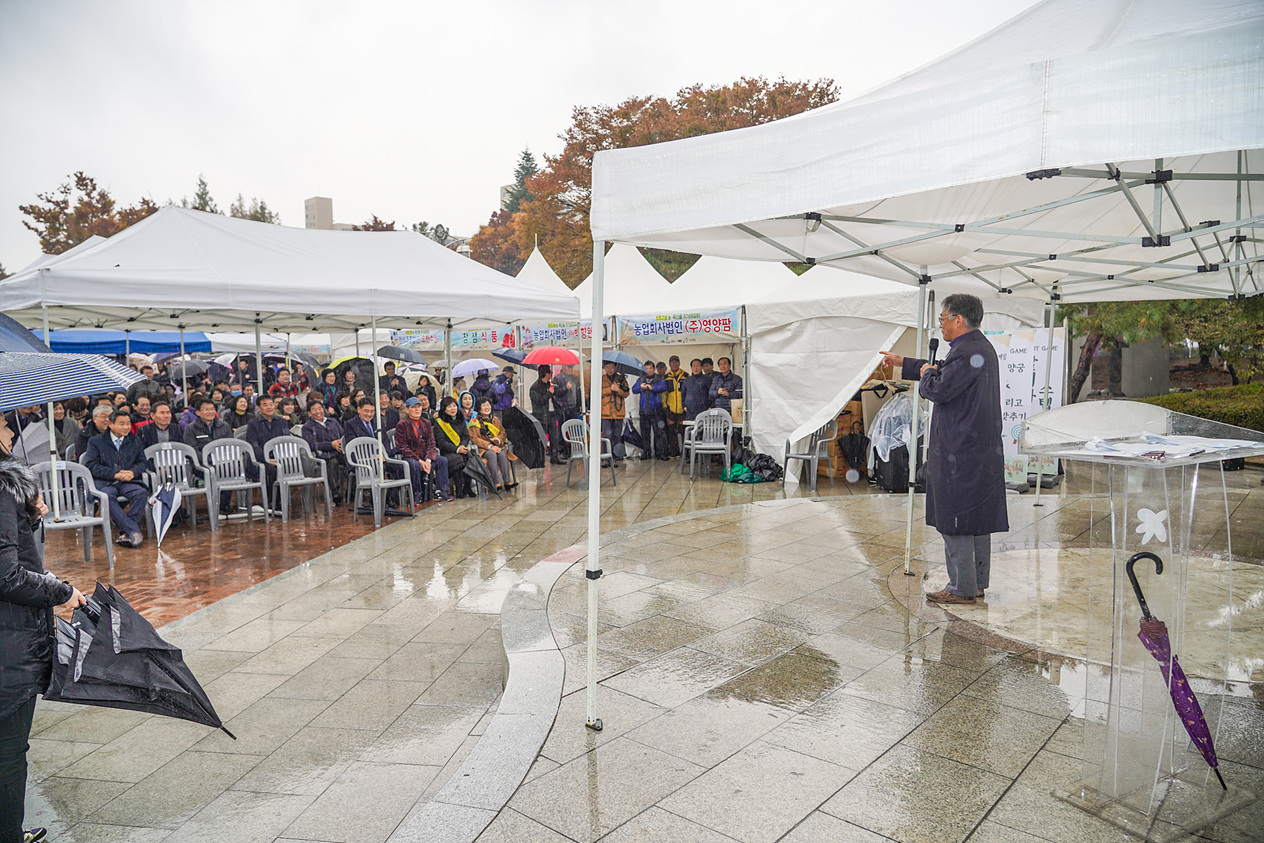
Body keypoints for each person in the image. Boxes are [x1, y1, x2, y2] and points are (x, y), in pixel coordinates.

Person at [880, 293, 1009, 605]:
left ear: (958, 320)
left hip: (960, 452)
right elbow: (944, 372)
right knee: (976, 520)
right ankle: (975, 583)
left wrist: (925, 375)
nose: (940, 326)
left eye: (942, 319)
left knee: (957, 520)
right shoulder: (978, 348)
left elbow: (938, 386)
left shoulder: (966, 352)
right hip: (977, 450)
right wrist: (906, 364)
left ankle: (961, 587)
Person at [0, 415, 86, 843]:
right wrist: (60, 591)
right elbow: (8, 576)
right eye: (3, 425)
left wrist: (29, 518)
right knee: (9, 750)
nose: (11, 433)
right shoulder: (1, 487)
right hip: (8, 642)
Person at [82, 410, 149, 548]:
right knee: (107, 496)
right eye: (122, 424)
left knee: (141, 493)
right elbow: (91, 465)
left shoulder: (134, 440)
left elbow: (142, 462)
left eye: (128, 423)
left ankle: (127, 532)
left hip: (128, 481)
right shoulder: (96, 441)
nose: (126, 427)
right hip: (105, 481)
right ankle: (132, 531)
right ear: (110, 424)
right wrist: (114, 474)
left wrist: (132, 472)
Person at [395, 397, 453, 503]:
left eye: (419, 407)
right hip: (411, 457)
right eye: (413, 407)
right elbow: (402, 447)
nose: (417, 410)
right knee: (414, 465)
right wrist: (419, 460)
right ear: (407, 410)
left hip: (425, 456)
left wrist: (428, 460)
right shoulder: (402, 425)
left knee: (442, 461)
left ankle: (441, 491)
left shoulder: (426, 423)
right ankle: (416, 494)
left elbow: (431, 443)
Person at [301, 399, 346, 505]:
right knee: (332, 462)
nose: (318, 412)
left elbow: (343, 434)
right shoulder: (307, 427)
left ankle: (353, 490)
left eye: (320, 408)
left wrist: (340, 443)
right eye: (314, 410)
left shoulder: (333, 421)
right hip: (322, 455)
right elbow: (311, 445)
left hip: (340, 451)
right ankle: (335, 493)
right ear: (309, 413)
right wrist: (331, 445)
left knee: (351, 460)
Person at [245, 395, 290, 498]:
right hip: (259, 460)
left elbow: (286, 441)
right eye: (265, 405)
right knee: (270, 470)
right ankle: (272, 501)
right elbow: (254, 446)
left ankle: (282, 499)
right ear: (259, 408)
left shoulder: (282, 422)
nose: (269, 407)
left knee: (291, 466)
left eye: (271, 404)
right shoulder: (253, 424)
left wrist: (281, 458)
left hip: (279, 458)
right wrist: (268, 459)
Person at [469, 396, 515, 491]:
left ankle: (507, 481)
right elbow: (474, 439)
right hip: (483, 449)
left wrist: (497, 439)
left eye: (488, 405)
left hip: (498, 446)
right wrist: (489, 446)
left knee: (502, 454)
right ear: (478, 408)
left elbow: (503, 432)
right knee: (492, 454)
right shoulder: (474, 422)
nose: (487, 407)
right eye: (484, 405)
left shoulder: (495, 420)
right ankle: (495, 482)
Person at [434, 396, 474, 498]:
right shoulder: (440, 422)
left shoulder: (460, 419)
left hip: (461, 448)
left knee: (468, 456)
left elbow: (466, 436)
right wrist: (456, 449)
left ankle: (467, 486)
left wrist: (462, 446)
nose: (453, 409)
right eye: (449, 407)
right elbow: (441, 442)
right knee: (457, 459)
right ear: (444, 409)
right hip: (448, 451)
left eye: (454, 406)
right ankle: (459, 487)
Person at [632, 360, 669, 460]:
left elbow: (663, 387)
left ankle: (660, 453)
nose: (648, 370)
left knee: (659, 433)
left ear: (654, 369)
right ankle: (646, 452)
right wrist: (641, 387)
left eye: (650, 368)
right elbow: (634, 390)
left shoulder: (658, 378)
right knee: (645, 434)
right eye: (646, 369)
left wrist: (652, 387)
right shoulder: (641, 379)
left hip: (656, 410)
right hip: (644, 410)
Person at [529, 365, 564, 465]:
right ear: (546, 373)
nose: (552, 374)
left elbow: (556, 393)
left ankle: (554, 457)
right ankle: (540, 459)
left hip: (552, 414)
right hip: (541, 416)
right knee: (541, 439)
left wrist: (565, 388)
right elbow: (538, 401)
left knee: (554, 438)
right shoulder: (535, 387)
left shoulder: (549, 384)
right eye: (550, 372)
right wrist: (549, 393)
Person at [600, 360, 630, 460]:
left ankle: (616, 457)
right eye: (607, 367)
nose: (609, 370)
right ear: (604, 368)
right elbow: (597, 392)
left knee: (617, 436)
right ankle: (605, 457)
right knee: (606, 436)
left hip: (618, 413)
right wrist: (610, 389)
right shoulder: (601, 379)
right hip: (605, 413)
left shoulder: (621, 379)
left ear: (616, 367)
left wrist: (618, 390)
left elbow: (626, 393)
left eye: (612, 367)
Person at [662, 356, 686, 458]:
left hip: (683, 409)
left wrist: (686, 406)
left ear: (679, 363)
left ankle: (686, 453)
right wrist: (665, 407)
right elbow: (664, 394)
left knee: (685, 433)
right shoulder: (666, 377)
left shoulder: (686, 376)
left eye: (676, 362)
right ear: (669, 364)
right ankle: (674, 452)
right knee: (671, 433)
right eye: (672, 362)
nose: (674, 364)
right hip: (671, 409)